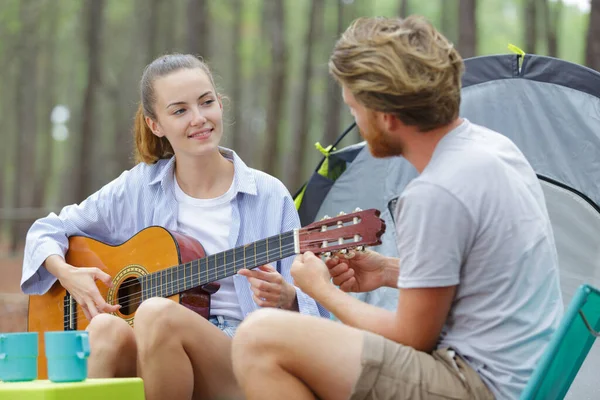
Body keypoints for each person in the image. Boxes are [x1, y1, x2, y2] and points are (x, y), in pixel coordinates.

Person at [229, 16, 564, 400]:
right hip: (521, 374)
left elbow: (411, 338)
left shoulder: (437, 191)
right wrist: (387, 271)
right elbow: (487, 279)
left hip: (480, 385)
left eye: (355, 109)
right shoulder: (493, 148)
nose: (355, 123)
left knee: (259, 338)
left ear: (386, 117)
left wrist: (322, 290)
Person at [21, 53, 327, 400]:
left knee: (156, 312)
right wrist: (66, 273)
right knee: (105, 325)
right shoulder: (138, 188)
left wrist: (287, 299)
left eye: (206, 102)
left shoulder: (268, 195)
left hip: (240, 358)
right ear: (155, 125)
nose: (199, 119)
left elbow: (313, 312)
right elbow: (47, 229)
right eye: (180, 110)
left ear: (220, 104)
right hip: (152, 353)